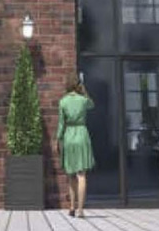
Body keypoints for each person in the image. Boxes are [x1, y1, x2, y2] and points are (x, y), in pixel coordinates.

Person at [56, 77, 95, 219]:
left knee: (71, 174)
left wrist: (58, 139)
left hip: (69, 136)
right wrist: (84, 91)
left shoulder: (63, 101)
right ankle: (80, 210)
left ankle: (72, 207)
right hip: (82, 134)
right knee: (81, 175)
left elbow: (61, 123)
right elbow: (92, 105)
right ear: (78, 85)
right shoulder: (83, 100)